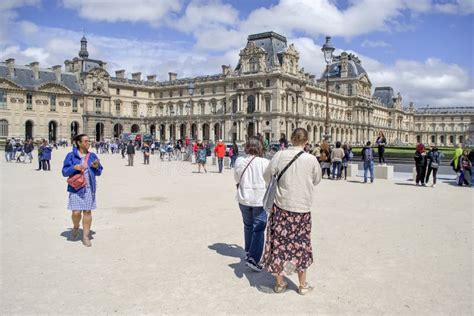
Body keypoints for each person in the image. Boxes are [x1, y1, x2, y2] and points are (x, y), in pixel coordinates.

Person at [262, 128, 322, 295]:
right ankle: (302, 286)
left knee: (280, 245)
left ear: (291, 139)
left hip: (282, 208)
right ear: (306, 141)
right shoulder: (311, 159)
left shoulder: (279, 155)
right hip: (302, 209)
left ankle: (280, 284)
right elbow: (317, 180)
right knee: (301, 246)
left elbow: (266, 176)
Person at [234, 136, 269, 272]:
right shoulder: (265, 162)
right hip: (259, 200)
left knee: (248, 226)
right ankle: (253, 258)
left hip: (243, 198)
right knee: (259, 229)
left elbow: (236, 178)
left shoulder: (239, 161)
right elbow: (269, 181)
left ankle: (249, 252)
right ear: (260, 147)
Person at [62, 134, 103, 247]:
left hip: (89, 188)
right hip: (76, 187)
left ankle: (85, 236)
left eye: (89, 141)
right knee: (76, 212)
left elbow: (99, 172)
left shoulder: (92, 155)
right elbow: (64, 172)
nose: (88, 143)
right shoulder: (71, 156)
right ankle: (76, 226)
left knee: (87, 211)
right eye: (85, 141)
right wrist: (74, 168)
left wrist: (96, 167)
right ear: (79, 143)